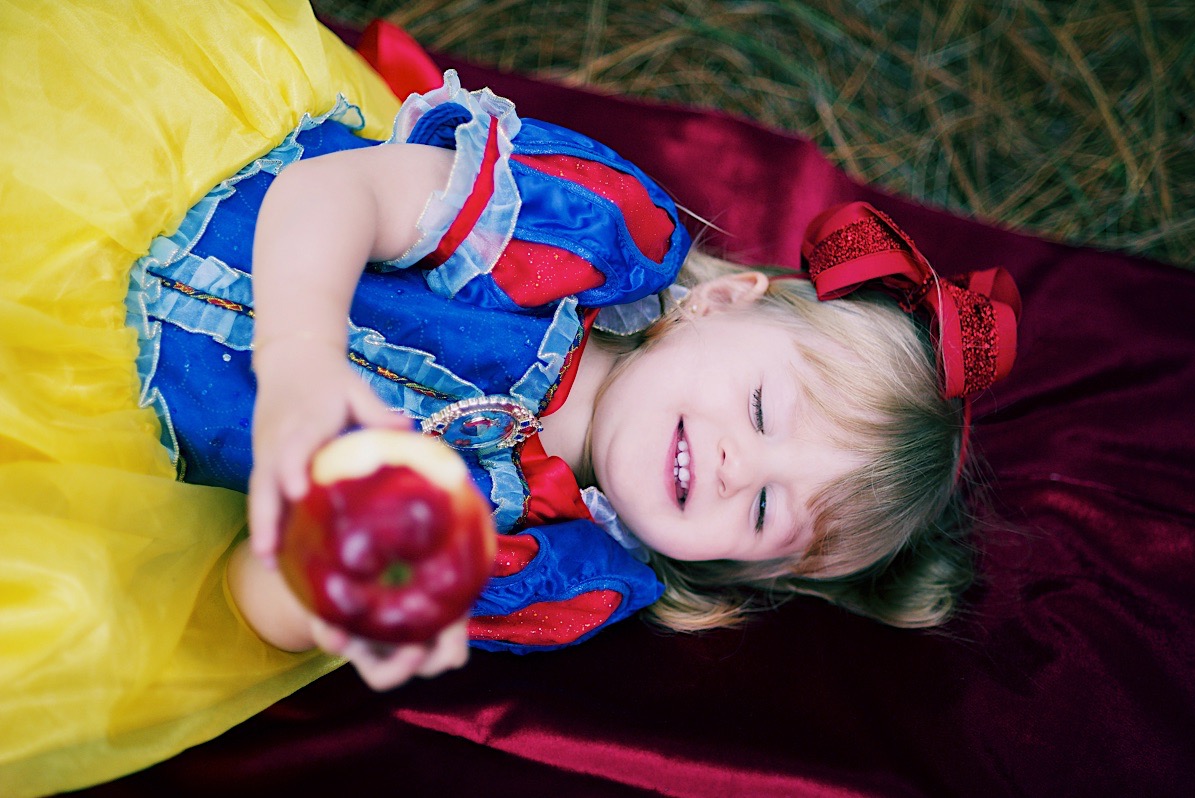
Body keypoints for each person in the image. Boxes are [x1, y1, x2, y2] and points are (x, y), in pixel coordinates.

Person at [0, 3, 1017, 795]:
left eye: (761, 511)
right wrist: (303, 364)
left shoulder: (550, 570)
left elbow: (248, 606)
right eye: (762, 410)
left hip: (105, 429)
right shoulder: (589, 240)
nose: (734, 465)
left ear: (753, 573)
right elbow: (336, 194)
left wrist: (336, 578)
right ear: (731, 306)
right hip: (161, 182)